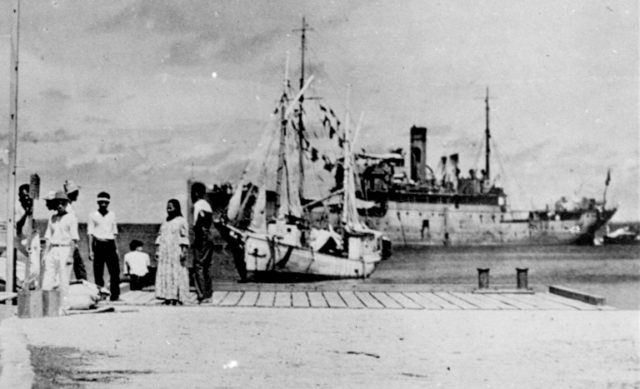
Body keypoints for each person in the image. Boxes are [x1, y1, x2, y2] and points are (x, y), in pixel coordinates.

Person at [42, 191, 79, 311]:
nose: (60, 205)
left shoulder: (71, 218)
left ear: (66, 203)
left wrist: (70, 256)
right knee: (48, 278)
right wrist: (44, 254)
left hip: (65, 249)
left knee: (63, 280)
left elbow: (74, 239)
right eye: (58, 202)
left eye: (62, 202)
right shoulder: (52, 218)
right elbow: (48, 237)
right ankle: (45, 305)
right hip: (53, 249)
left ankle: (64, 306)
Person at [155, 199, 189, 305]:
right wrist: (157, 251)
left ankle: (176, 297)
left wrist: (184, 251)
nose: (169, 208)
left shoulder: (181, 221)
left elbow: (184, 237)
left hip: (175, 251)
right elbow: (160, 237)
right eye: (167, 206)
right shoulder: (165, 222)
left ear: (177, 207)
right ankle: (167, 297)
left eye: (171, 206)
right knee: (166, 273)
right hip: (165, 252)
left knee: (176, 273)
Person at [87, 192, 120, 301]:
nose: (103, 204)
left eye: (106, 202)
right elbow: (90, 234)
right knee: (98, 272)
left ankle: (115, 295)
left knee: (115, 271)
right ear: (98, 202)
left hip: (110, 244)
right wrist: (90, 250)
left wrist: (116, 248)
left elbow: (114, 233)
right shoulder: (93, 215)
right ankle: (100, 295)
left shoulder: (112, 215)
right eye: (101, 202)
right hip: (99, 245)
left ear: (108, 203)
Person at [191, 182, 214, 304]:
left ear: (195, 193)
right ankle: (209, 293)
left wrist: (196, 241)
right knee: (207, 266)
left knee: (198, 265)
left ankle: (202, 294)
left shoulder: (197, 205)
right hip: (209, 235)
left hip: (201, 235)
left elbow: (197, 224)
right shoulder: (207, 205)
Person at [63, 180, 88, 281]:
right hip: (70, 242)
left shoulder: (68, 206)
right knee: (79, 268)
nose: (78, 194)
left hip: (71, 242)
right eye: (76, 192)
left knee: (79, 268)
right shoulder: (67, 207)